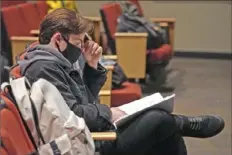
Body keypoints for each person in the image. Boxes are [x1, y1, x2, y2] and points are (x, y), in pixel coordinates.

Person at [15, 8, 225, 155]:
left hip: (88, 134)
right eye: (78, 42)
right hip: (85, 146)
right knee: (158, 120)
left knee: (166, 132)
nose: (81, 48)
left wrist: (90, 66)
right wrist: (110, 113)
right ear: (58, 39)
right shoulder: (44, 68)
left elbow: (86, 102)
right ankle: (186, 123)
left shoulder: (56, 60)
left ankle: (180, 124)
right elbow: (74, 115)